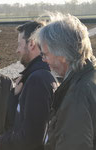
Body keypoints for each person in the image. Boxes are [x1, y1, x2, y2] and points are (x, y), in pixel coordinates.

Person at [0, 21, 57, 150]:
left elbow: (32, 138)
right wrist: (15, 96)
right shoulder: (32, 77)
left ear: (31, 44)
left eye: (19, 44)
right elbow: (18, 122)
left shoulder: (38, 79)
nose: (17, 50)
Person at [34, 13, 96, 150]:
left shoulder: (77, 95)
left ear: (61, 53)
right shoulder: (89, 78)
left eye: (45, 54)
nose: (43, 60)